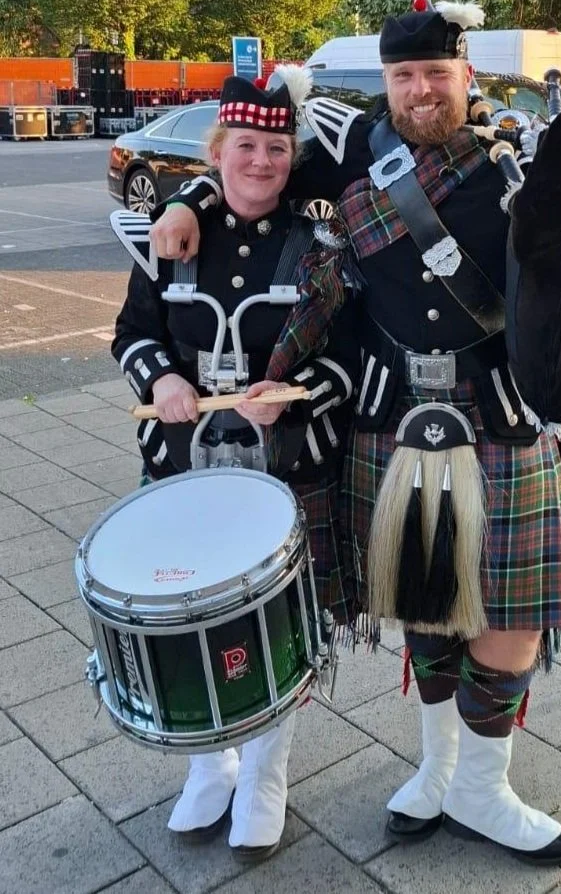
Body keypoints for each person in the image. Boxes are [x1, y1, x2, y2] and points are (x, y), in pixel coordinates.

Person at [148, 0, 561, 867]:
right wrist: (193, 196)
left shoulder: (519, 155)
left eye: (436, 74)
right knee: (425, 599)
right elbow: (252, 170)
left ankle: (481, 787)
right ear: (387, 81)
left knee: (511, 614)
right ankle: (438, 766)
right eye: (404, 76)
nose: (421, 90)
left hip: (500, 412)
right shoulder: (350, 150)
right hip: (389, 410)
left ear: (466, 74)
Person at [112, 68, 360, 863]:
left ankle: (264, 773)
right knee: (186, 608)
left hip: (286, 470)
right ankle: (208, 764)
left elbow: (351, 356)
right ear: (217, 151)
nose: (261, 162)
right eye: (245, 145)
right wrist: (164, 378)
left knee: (281, 625)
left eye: (277, 148)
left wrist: (293, 392)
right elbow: (132, 333)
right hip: (185, 466)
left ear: (294, 156)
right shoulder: (172, 234)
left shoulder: (319, 244)